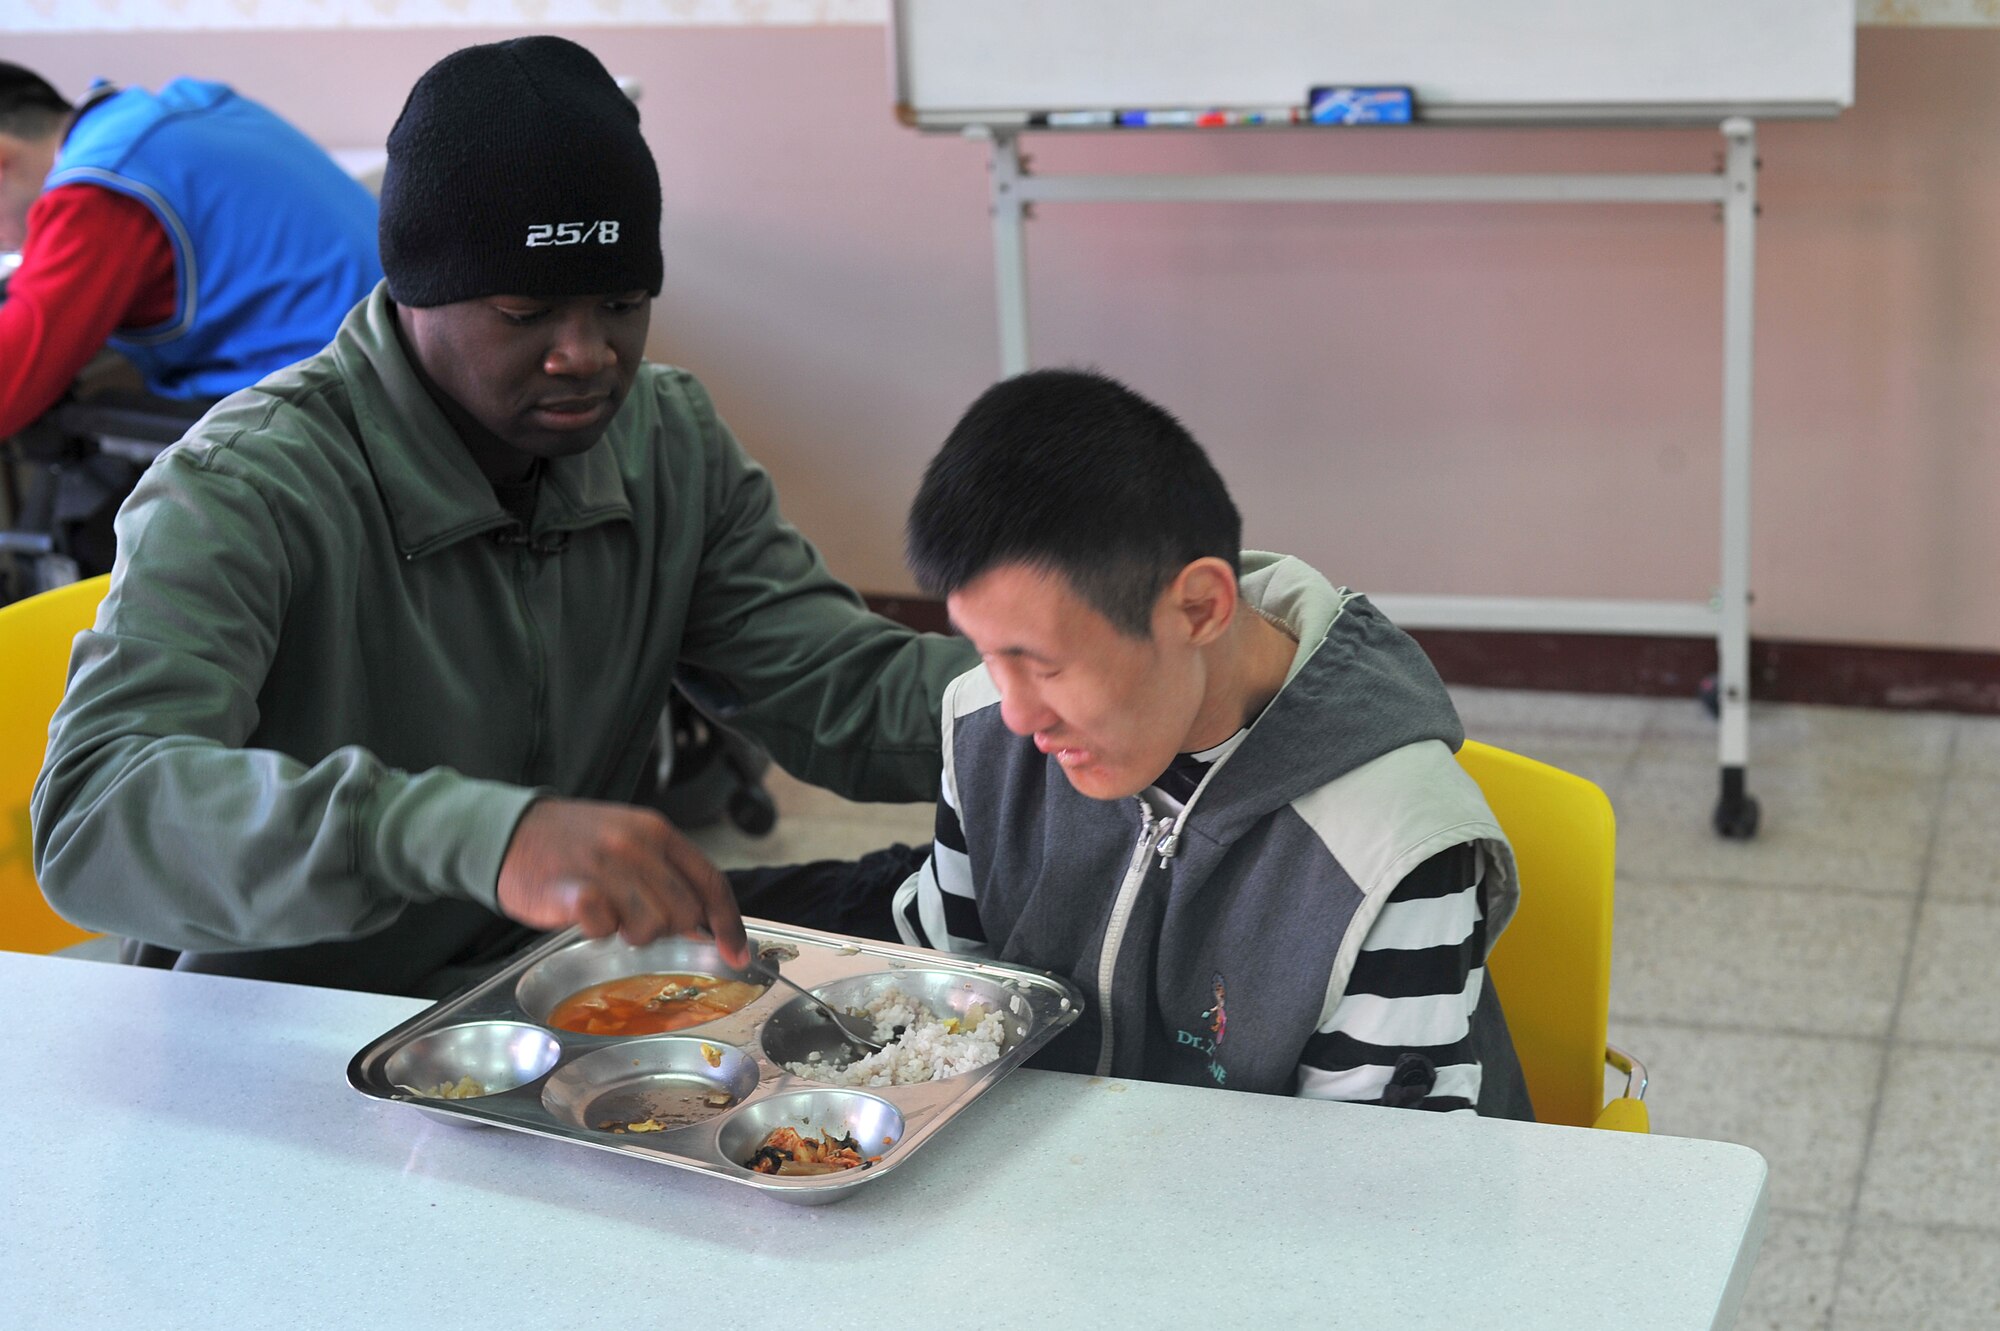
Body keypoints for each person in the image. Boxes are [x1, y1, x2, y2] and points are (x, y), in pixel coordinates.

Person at [31, 36, 971, 998]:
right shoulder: (247, 486)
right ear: (415, 291)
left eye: (620, 302)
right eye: (527, 313)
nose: (588, 354)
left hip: (545, 976)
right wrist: (482, 836)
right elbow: (96, 814)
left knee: (957, 917)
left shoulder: (666, 440)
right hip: (300, 1026)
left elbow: (838, 686)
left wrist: (1047, 692)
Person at [893, 369, 1534, 1117]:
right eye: (987, 651)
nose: (1015, 714)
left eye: (1046, 665)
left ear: (1199, 608)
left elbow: (1375, 1193)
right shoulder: (981, 724)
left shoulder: (1389, 846)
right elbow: (946, 1010)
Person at [0, 62, 381, 437]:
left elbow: (10, 387)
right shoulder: (191, 107)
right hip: (389, 367)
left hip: (331, 415)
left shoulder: (97, 192)